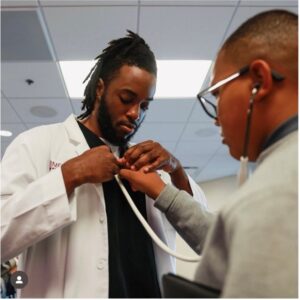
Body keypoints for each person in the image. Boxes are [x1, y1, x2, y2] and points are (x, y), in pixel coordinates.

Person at [1, 31, 207, 298]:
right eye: (126, 99)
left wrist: (176, 170)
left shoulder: (151, 166)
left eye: (145, 105)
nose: (135, 113)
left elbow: (206, 237)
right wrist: (69, 175)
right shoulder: (38, 144)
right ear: (100, 88)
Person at [120, 10, 298, 297]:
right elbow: (229, 238)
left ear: (259, 82)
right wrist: (167, 187)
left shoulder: (277, 192)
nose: (217, 118)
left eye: (218, 93)